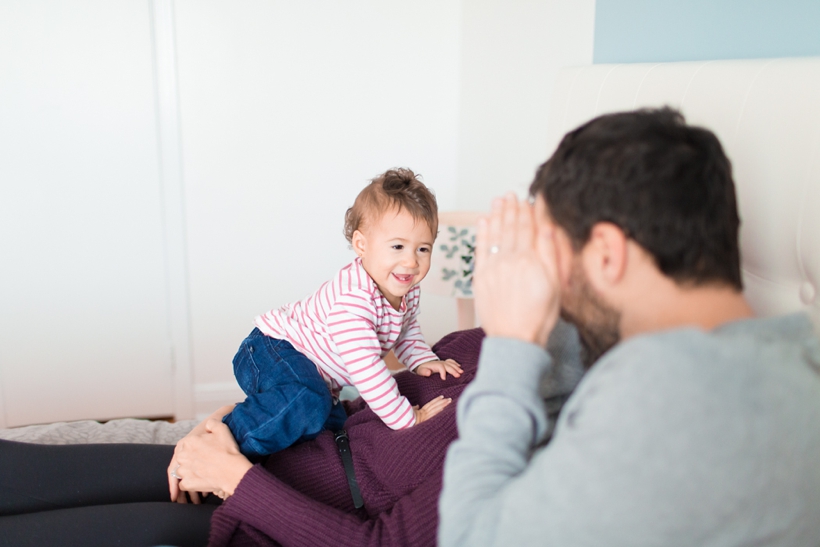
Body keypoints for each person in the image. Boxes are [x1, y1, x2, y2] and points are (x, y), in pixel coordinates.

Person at [439, 108, 820, 546]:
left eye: (551, 249)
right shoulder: (797, 354)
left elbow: (469, 537)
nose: (548, 276)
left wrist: (510, 344)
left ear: (606, 252)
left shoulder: (662, 386)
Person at [0, 325, 585, 546]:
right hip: (275, 454)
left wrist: (232, 477)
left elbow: (377, 545)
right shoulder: (482, 344)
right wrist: (251, 418)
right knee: (32, 470)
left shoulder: (528, 434)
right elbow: (361, 404)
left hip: (266, 522)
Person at [222, 167, 463, 458]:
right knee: (305, 400)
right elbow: (369, 372)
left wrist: (423, 360)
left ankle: (269, 445)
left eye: (423, 249)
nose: (411, 262)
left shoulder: (405, 289)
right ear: (362, 245)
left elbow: (406, 332)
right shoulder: (353, 301)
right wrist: (409, 418)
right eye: (398, 246)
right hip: (272, 350)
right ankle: (225, 441)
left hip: (316, 376)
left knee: (333, 432)